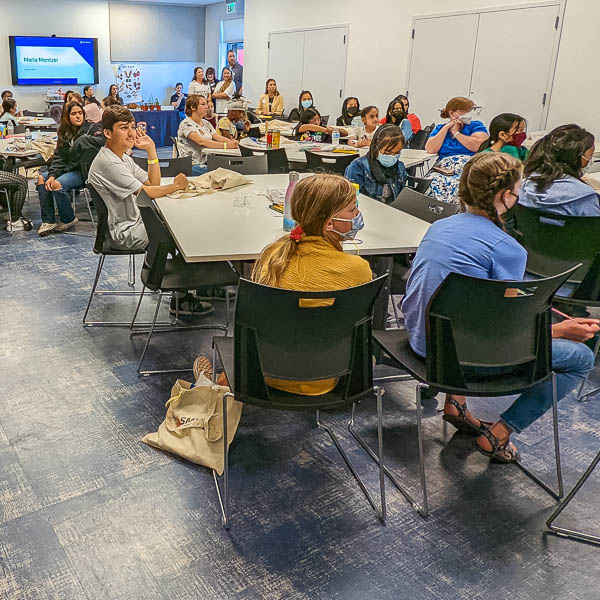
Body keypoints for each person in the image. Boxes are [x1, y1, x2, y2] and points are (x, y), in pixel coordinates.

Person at [402, 152, 597, 462]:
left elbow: (473, 308)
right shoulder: (507, 249)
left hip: (420, 342)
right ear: (506, 195)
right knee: (581, 359)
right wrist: (559, 331)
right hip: (460, 360)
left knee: (465, 308)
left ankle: (456, 403)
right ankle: (499, 434)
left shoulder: (441, 226)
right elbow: (506, 330)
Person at [248, 173, 371, 395]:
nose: (358, 215)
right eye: (353, 210)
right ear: (330, 223)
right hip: (327, 376)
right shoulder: (357, 268)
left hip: (263, 373)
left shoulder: (272, 255)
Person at [88, 106, 211, 317]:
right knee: (181, 231)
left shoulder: (121, 157)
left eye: (132, 127)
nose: (131, 133)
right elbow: (147, 192)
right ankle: (183, 297)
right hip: (125, 232)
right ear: (108, 133)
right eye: (123, 128)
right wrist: (176, 186)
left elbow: (153, 181)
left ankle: (201, 287)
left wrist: (151, 150)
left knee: (181, 224)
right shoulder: (108, 162)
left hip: (136, 222)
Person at [37, 101, 104, 236]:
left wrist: (84, 140)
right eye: (74, 114)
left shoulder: (92, 128)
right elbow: (59, 158)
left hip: (84, 171)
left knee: (57, 185)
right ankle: (48, 221)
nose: (78, 116)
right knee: (42, 179)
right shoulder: (63, 132)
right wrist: (52, 175)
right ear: (67, 117)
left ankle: (68, 219)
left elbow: (103, 141)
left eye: (80, 113)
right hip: (67, 169)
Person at [519, 124, 599, 217]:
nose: (591, 159)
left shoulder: (523, 186)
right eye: (591, 155)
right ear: (577, 157)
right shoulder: (585, 197)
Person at [424, 96, 489, 203]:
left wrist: (456, 133)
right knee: (431, 182)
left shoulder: (475, 125)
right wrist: (447, 127)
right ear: (452, 113)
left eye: (470, 111)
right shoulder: (441, 128)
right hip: (445, 168)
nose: (468, 114)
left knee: (461, 186)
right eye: (464, 111)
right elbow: (431, 149)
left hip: (469, 167)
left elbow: (480, 145)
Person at [177, 94, 238, 175]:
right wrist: (226, 146)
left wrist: (232, 142)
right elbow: (202, 142)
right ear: (193, 107)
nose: (207, 107)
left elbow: (216, 136)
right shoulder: (186, 124)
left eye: (206, 104)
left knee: (232, 168)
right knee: (224, 173)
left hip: (207, 161)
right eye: (203, 104)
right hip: (192, 165)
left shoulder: (206, 123)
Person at [345, 125, 407, 203]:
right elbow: (350, 200)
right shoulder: (358, 166)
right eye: (387, 152)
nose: (392, 156)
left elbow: (402, 200)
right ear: (376, 147)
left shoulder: (400, 168)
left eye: (397, 153)